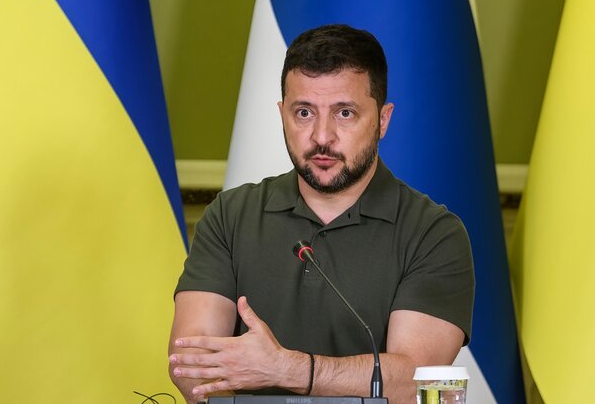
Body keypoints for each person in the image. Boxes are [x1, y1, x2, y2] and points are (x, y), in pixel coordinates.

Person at [168, 24, 474, 404]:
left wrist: (289, 369)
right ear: (282, 114)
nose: (322, 136)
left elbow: (415, 381)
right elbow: (192, 362)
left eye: (344, 113)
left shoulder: (434, 233)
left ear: (383, 120)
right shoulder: (229, 216)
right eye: (304, 112)